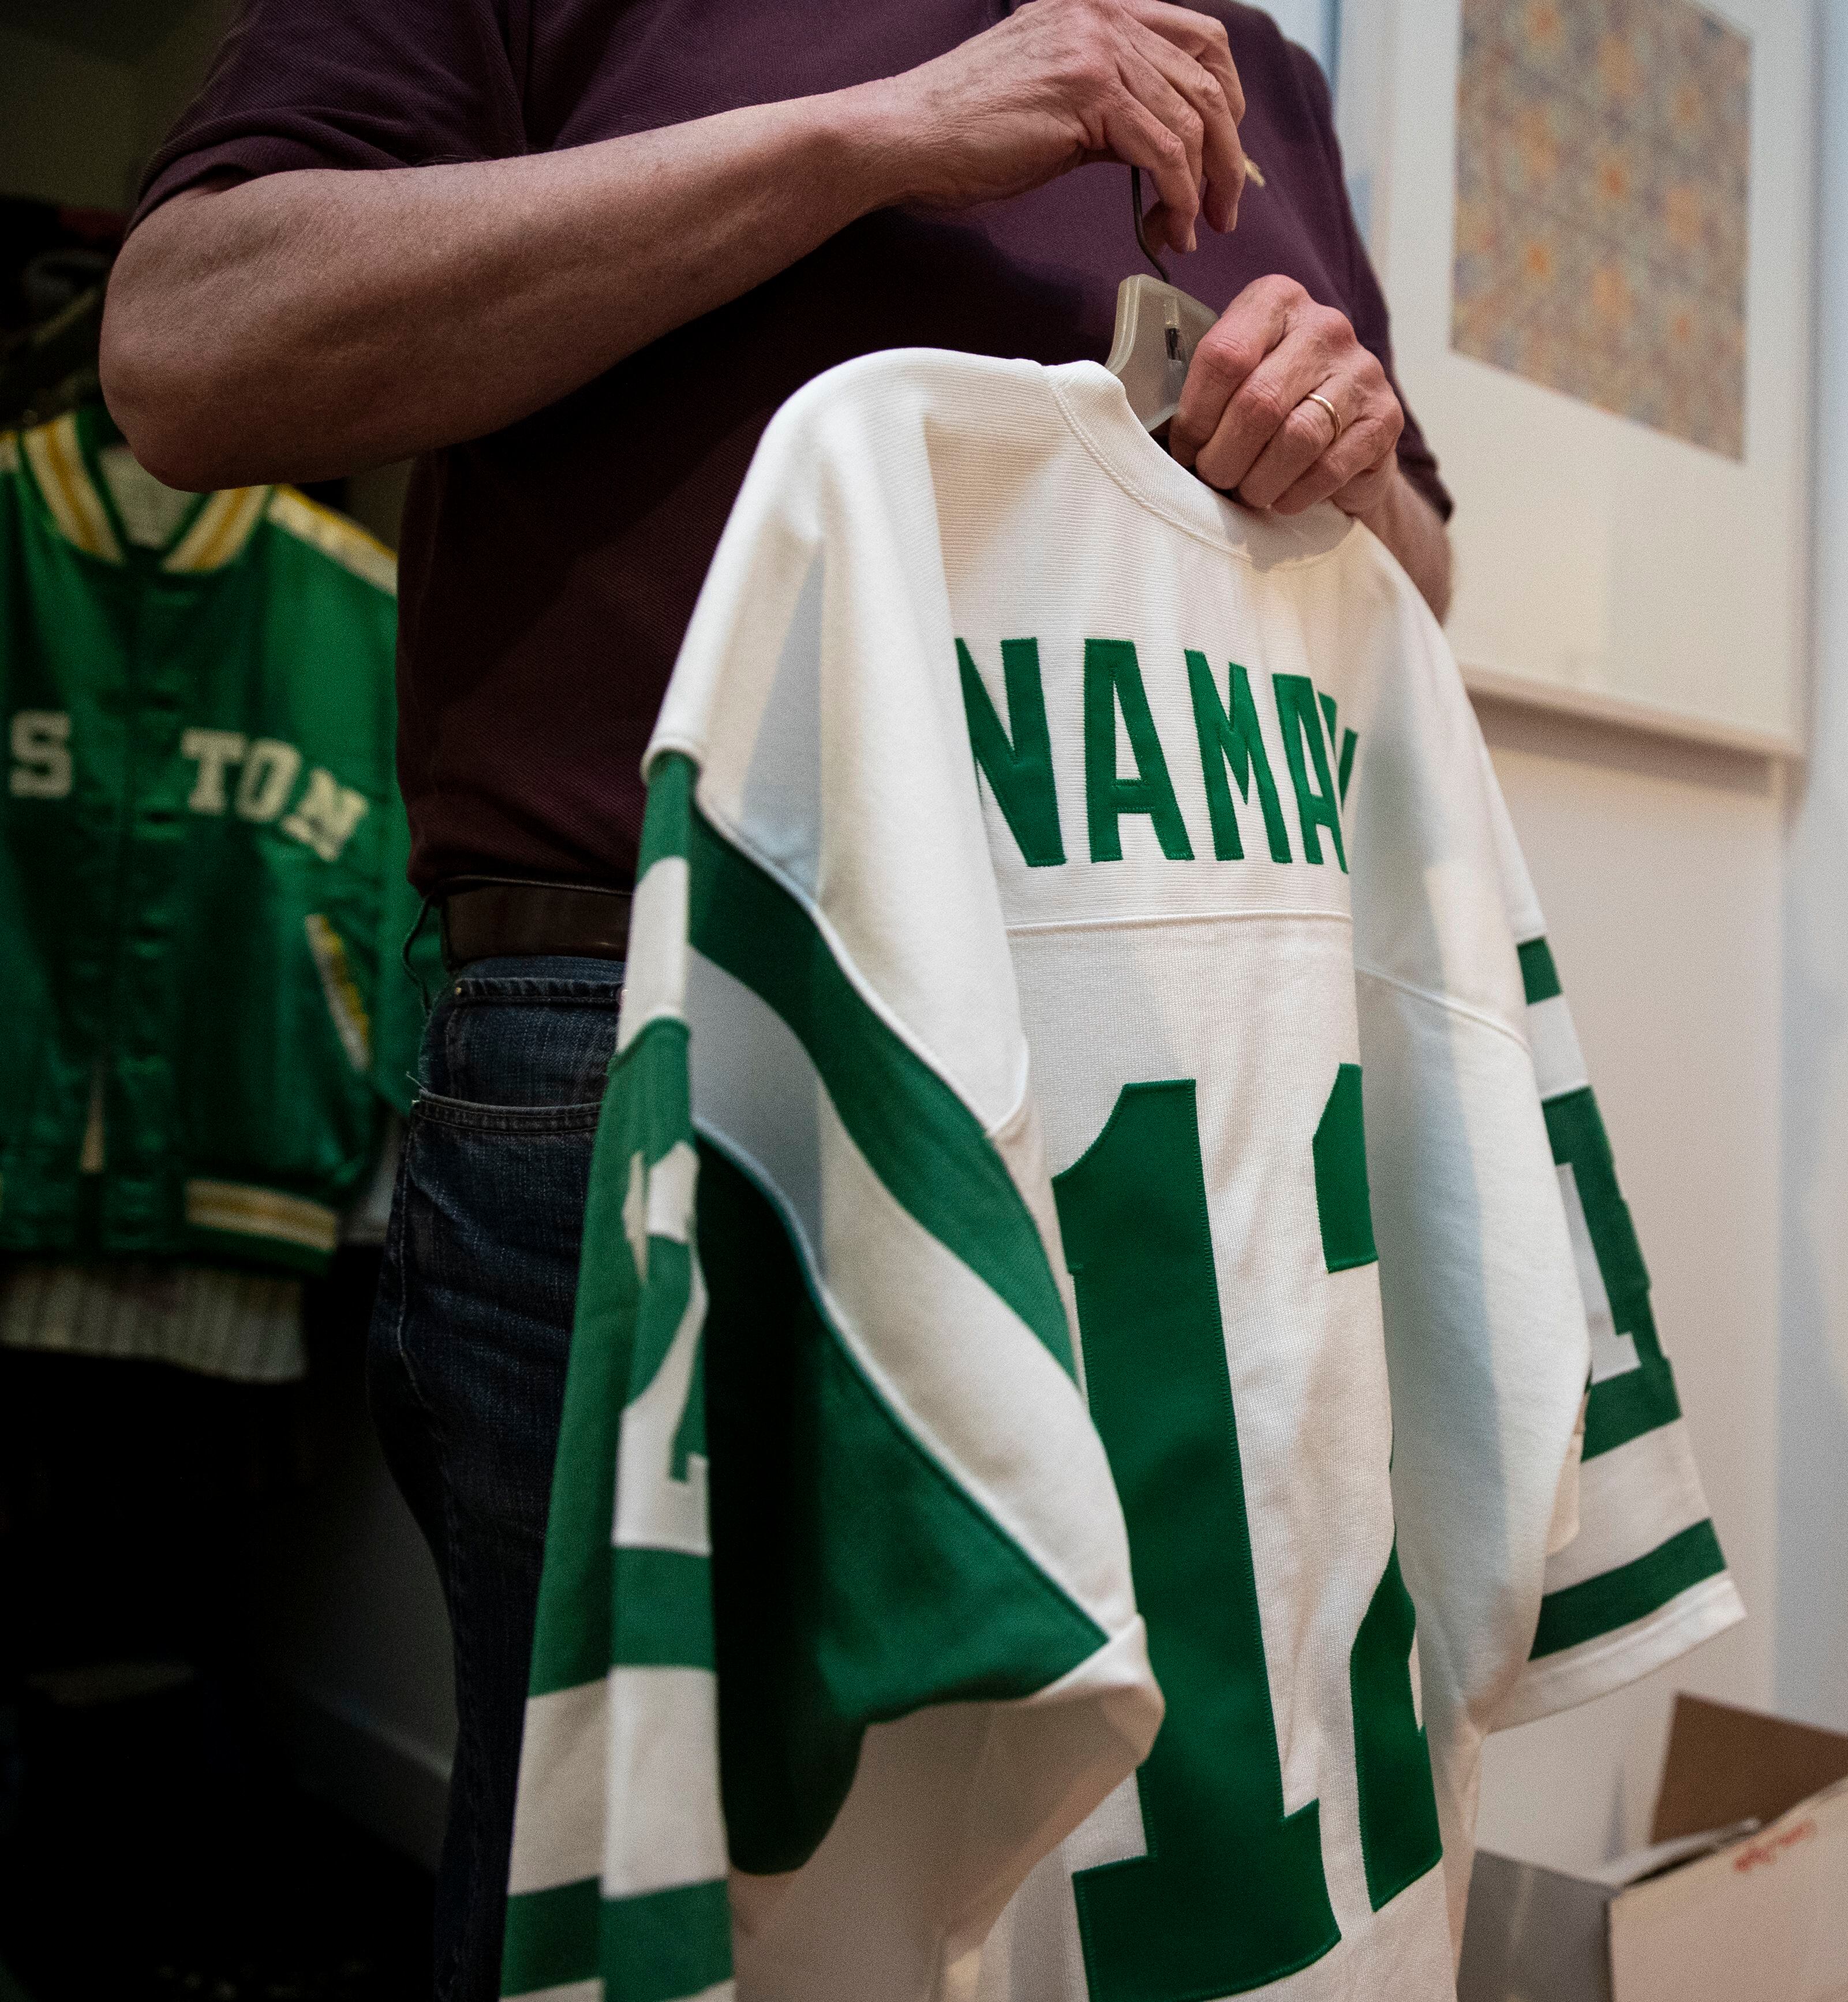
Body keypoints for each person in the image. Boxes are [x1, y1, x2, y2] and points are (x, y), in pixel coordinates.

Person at [101, 5, 1454, 1998]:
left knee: (1083, 1888)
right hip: (685, 1038)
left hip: (1175, 1085)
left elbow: (1422, 591)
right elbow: (187, 349)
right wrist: (873, 136)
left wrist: (1340, 448)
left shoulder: (1265, 69)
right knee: (671, 1901)